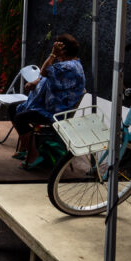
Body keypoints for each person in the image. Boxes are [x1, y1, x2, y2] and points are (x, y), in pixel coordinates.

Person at [11, 33, 86, 169]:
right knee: (12, 109)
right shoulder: (67, 63)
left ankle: (33, 154)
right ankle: (25, 148)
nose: (55, 53)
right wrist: (35, 81)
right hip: (46, 106)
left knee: (21, 118)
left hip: (55, 112)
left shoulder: (69, 67)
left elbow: (45, 71)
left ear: (62, 51)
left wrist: (52, 55)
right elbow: (46, 76)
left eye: (57, 49)